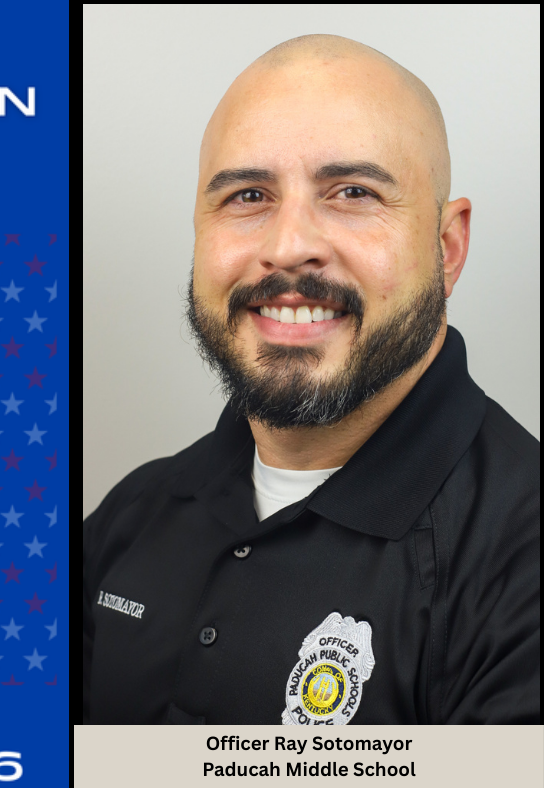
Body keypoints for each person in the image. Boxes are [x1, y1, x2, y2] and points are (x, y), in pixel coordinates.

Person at [82, 34, 540, 725]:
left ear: (447, 250)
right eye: (247, 195)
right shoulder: (134, 512)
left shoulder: (520, 558)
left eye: (353, 192)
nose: (288, 245)